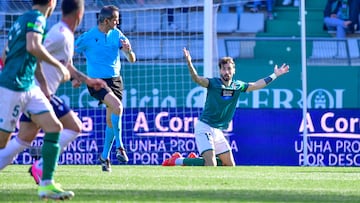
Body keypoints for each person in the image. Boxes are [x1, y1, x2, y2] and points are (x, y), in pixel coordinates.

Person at [0, 0, 106, 186]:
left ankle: (44, 179)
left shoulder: (64, 34)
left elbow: (66, 65)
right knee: (73, 127)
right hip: (29, 88)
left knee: (22, 140)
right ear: (80, 15)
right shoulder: (57, 32)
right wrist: (44, 83)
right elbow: (35, 52)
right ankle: (41, 168)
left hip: (33, 88)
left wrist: (86, 79)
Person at [163, 48, 289, 166]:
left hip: (217, 130)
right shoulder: (213, 83)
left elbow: (256, 85)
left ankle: (193, 160)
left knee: (229, 165)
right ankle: (178, 160)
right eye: (224, 69)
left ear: (234, 70)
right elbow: (197, 79)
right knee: (211, 164)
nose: (226, 72)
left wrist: (275, 75)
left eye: (229, 69)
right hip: (204, 126)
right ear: (220, 71)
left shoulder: (237, 86)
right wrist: (189, 63)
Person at [0, 0, 74, 200]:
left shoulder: (21, 19)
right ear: (51, 2)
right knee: (2, 142)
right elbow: (34, 46)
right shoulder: (37, 19)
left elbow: (6, 53)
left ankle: (46, 185)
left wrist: (42, 84)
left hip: (28, 86)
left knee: (54, 127)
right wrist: (59, 67)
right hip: (13, 87)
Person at [75, 5, 136, 172]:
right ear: (106, 20)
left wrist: (128, 51)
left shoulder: (118, 35)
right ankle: (120, 147)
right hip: (96, 82)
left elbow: (132, 59)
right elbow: (68, 52)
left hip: (115, 81)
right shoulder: (88, 37)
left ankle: (104, 157)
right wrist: (75, 76)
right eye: (115, 19)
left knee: (111, 120)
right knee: (118, 107)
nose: (118, 22)